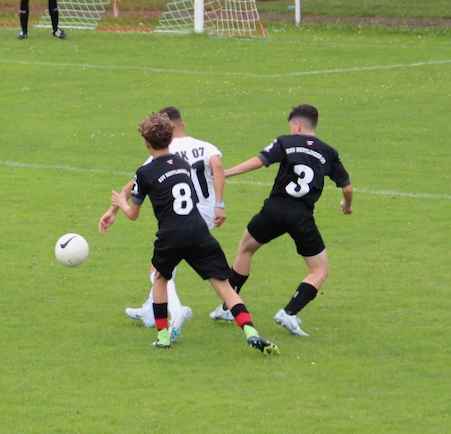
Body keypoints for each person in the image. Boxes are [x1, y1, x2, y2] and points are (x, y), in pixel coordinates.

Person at [100, 113, 278, 354]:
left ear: (147, 144)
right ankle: (251, 333)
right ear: (170, 139)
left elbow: (133, 214)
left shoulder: (145, 173)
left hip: (170, 234)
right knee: (224, 286)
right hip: (198, 230)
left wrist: (120, 203)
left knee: (160, 278)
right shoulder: (183, 165)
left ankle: (163, 337)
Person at [210, 103, 353, 337]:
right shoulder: (328, 152)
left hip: (274, 210)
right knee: (319, 270)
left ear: (297, 125)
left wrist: (225, 173)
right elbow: (347, 188)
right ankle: (289, 312)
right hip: (302, 216)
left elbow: (258, 161)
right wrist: (347, 205)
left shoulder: (285, 142)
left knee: (245, 249)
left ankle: (228, 307)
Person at [114, 107, 226, 338]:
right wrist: (219, 203)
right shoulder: (204, 146)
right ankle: (151, 309)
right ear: (182, 125)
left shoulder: (166, 152)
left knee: (159, 270)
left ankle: (175, 312)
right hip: (205, 212)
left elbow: (137, 181)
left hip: (182, 215)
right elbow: (217, 166)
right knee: (165, 267)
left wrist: (114, 208)